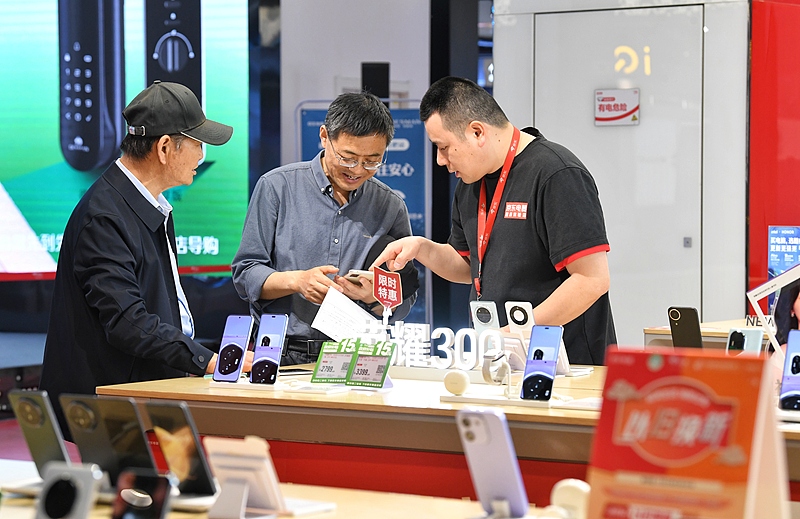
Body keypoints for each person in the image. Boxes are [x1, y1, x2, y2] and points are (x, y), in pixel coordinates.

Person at [40, 81, 250, 439]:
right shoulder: (105, 216)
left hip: (143, 400)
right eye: (197, 143)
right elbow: (126, 321)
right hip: (110, 415)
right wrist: (207, 360)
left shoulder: (145, 205)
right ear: (166, 147)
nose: (202, 155)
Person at [371, 76, 615, 365]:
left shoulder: (556, 173)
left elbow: (591, 279)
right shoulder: (470, 183)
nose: (440, 160)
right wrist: (421, 248)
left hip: (567, 364)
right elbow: (468, 266)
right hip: (500, 358)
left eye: (444, 147)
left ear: (477, 132)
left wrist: (515, 333)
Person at [232, 92, 419, 366]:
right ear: (324, 136)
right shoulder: (277, 187)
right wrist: (297, 282)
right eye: (348, 157)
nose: (357, 170)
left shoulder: (390, 206)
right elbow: (245, 272)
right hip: (282, 351)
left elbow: (406, 297)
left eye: (372, 161)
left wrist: (376, 296)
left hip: (358, 355)